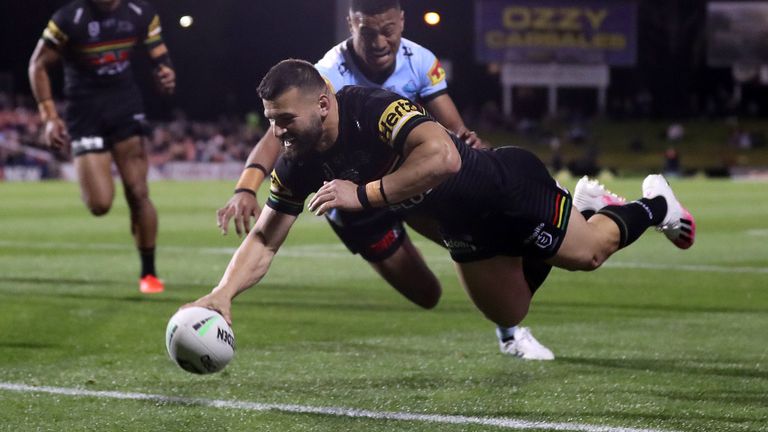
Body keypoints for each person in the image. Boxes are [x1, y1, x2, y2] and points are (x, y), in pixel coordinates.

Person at [185, 60, 697, 354]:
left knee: (589, 254)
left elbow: (445, 157)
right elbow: (265, 239)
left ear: (323, 104)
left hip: (509, 193)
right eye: (271, 121)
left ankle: (654, 204)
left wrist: (362, 195)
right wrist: (223, 293)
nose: (277, 133)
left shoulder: (373, 107)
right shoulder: (298, 160)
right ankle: (581, 208)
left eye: (285, 120)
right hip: (462, 229)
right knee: (511, 313)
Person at [216, 0, 554, 360]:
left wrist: (471, 148)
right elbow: (278, 137)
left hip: (405, 185)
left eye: (388, 30)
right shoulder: (325, 75)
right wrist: (245, 188)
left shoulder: (420, 60)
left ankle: (509, 332)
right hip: (348, 198)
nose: (379, 42)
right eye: (368, 31)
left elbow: (453, 129)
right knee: (427, 294)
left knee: (485, 245)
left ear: (402, 21)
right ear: (351, 24)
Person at [28, 0, 175, 294]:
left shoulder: (140, 13)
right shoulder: (70, 18)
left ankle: (149, 273)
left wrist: (166, 73)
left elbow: (159, 55)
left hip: (125, 105)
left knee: (138, 191)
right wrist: (49, 117)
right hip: (85, 112)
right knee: (100, 204)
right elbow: (38, 65)